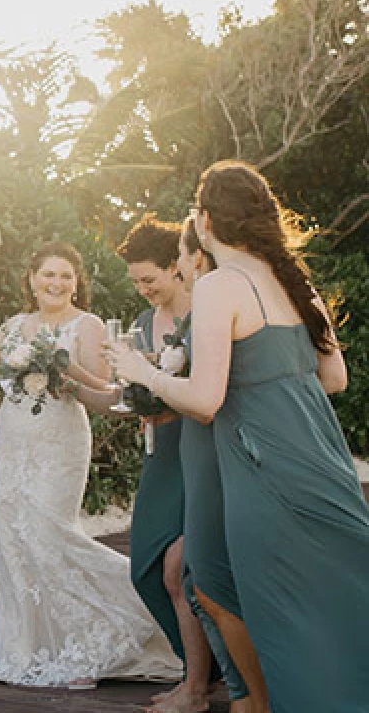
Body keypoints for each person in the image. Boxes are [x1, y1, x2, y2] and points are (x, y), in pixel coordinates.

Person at [108, 160, 369, 713]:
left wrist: (145, 373)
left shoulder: (222, 284)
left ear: (205, 220)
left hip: (263, 469)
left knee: (271, 601)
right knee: (328, 597)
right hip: (321, 459)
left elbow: (205, 400)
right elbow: (334, 379)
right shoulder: (293, 281)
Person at [0, 240, 182, 689]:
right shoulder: (13, 326)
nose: (56, 282)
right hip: (13, 442)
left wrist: (60, 369)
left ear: (76, 283)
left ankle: (105, 639)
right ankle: (27, 650)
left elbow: (109, 390)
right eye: (48, 274)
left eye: (66, 276)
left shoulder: (87, 325)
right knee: (14, 539)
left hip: (60, 441)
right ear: (32, 278)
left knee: (53, 535)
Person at [117, 215, 214, 713]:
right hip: (160, 455)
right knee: (146, 570)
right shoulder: (141, 324)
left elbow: (209, 393)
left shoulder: (207, 312)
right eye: (135, 281)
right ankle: (198, 669)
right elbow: (136, 388)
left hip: (201, 450)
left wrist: (159, 396)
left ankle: (197, 686)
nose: (142, 289)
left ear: (177, 267)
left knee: (181, 570)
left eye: (148, 279)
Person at [175, 215, 252, 713]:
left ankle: (243, 694)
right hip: (196, 444)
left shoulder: (215, 294)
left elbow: (207, 396)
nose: (178, 266)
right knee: (203, 577)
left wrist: (150, 377)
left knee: (212, 578)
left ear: (196, 254)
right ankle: (236, 690)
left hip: (212, 441)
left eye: (178, 257)